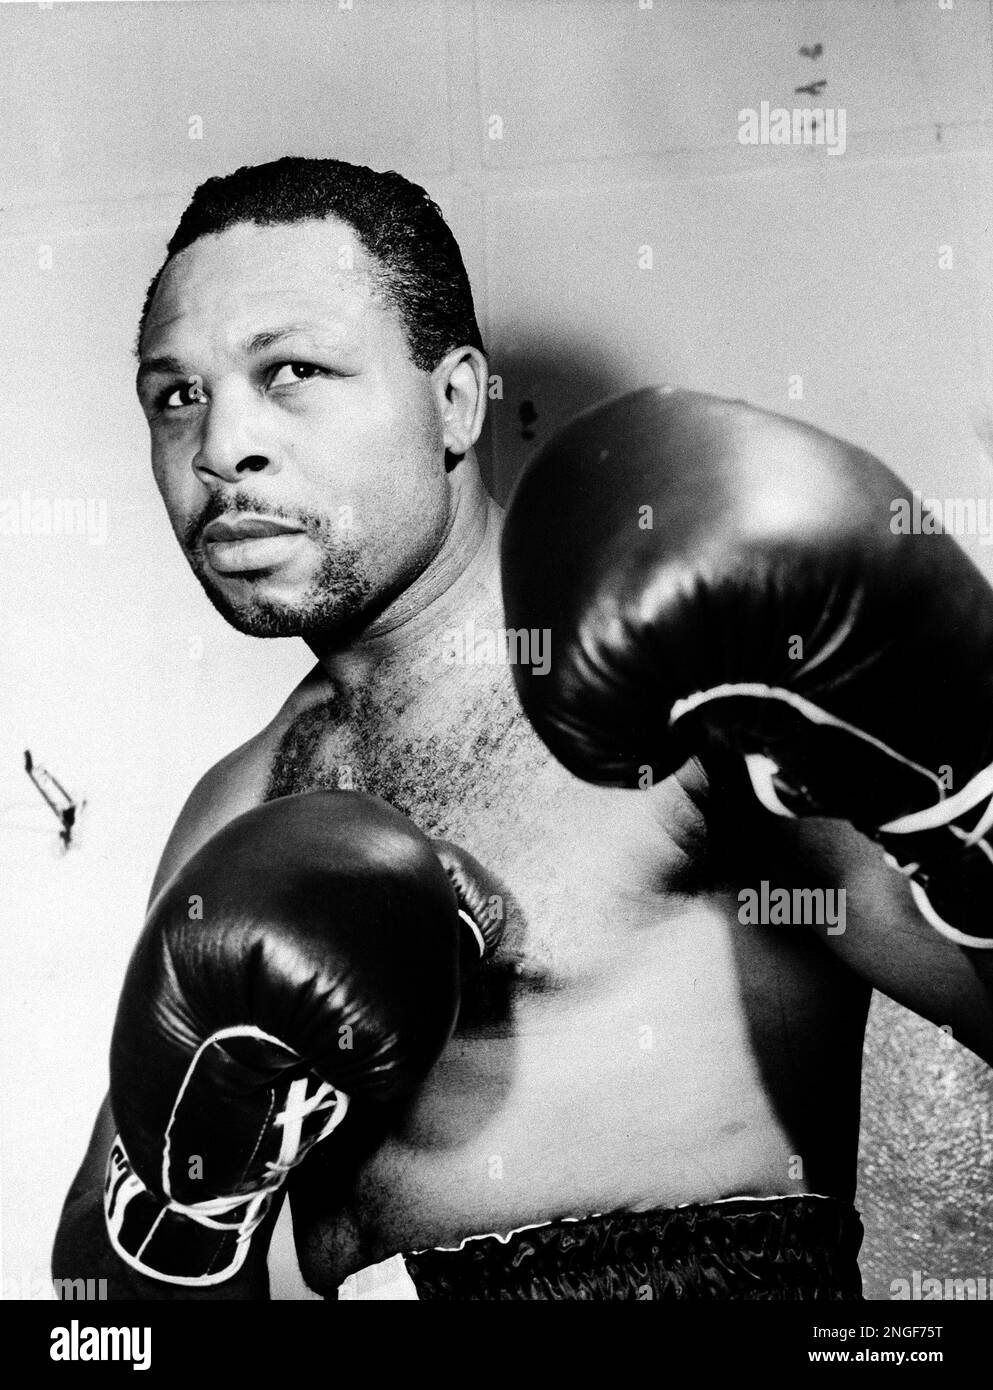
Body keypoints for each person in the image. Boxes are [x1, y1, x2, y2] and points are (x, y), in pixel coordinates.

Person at [53, 157, 993, 1300]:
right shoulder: (235, 806)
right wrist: (189, 1202)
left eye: (291, 370)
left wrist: (961, 772)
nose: (220, 448)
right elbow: (107, 1312)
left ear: (454, 402)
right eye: (177, 394)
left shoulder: (687, 696)